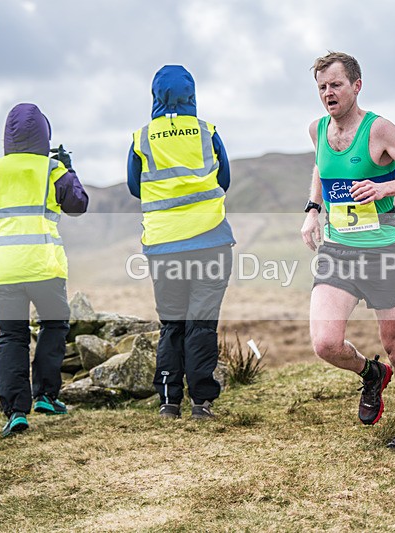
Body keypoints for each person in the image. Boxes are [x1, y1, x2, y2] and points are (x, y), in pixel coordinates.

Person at [300, 52, 395, 450]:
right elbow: (322, 171)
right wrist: (313, 209)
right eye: (322, 87)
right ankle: (371, 374)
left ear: (356, 86)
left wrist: (383, 188)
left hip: (382, 253)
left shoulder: (379, 130)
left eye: (336, 85)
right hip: (338, 251)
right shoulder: (317, 130)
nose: (328, 93)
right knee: (325, 343)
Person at [0, 103, 88, 437]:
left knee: (12, 337)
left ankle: (15, 411)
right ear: (44, 135)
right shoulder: (51, 169)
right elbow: (78, 206)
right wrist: (69, 169)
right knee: (54, 326)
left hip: (6, 270)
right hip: (45, 268)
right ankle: (47, 395)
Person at [128, 65, 234, 420]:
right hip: (210, 238)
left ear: (155, 95)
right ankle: (201, 402)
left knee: (172, 323)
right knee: (201, 322)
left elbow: (133, 186)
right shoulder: (207, 131)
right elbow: (226, 178)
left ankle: (169, 402)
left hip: (163, 245)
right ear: (192, 94)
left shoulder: (142, 137)